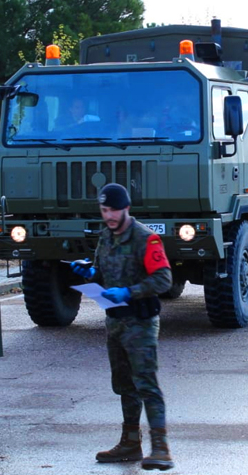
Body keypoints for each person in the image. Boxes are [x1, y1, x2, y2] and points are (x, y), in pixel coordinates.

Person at [72, 183, 174, 470]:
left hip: (140, 322)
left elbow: (164, 279)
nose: (110, 216)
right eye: (105, 210)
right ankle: (130, 443)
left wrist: (130, 292)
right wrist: (89, 272)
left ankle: (161, 448)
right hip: (115, 321)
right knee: (124, 385)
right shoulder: (106, 236)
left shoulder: (146, 238)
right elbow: (102, 272)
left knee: (146, 384)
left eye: (114, 210)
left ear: (127, 208)